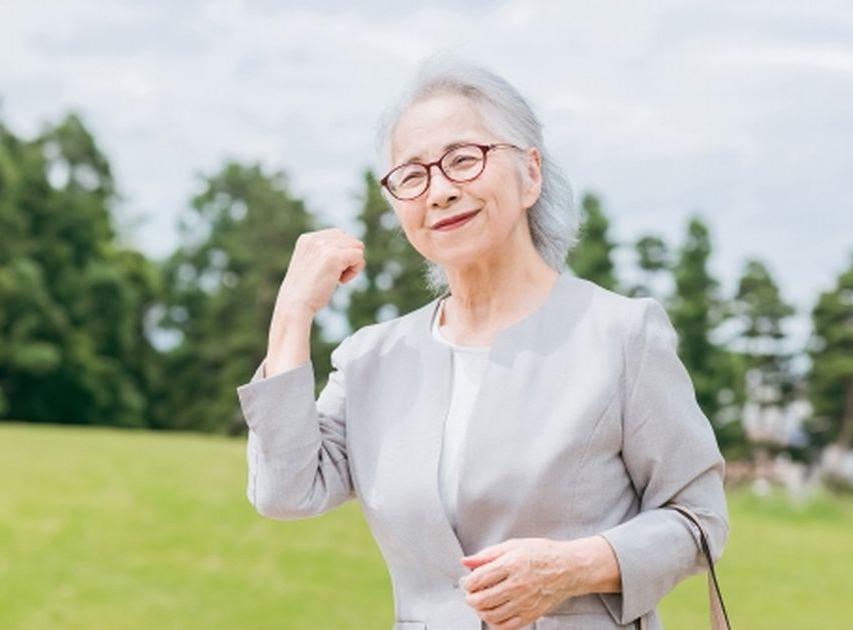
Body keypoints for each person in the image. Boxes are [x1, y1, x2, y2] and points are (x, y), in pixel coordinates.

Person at [236, 57, 728, 630]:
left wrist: (576, 566)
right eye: (411, 176)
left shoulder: (621, 334)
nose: (439, 191)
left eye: (464, 160)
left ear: (531, 174)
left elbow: (698, 521)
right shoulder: (372, 359)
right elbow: (285, 491)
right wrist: (293, 311)